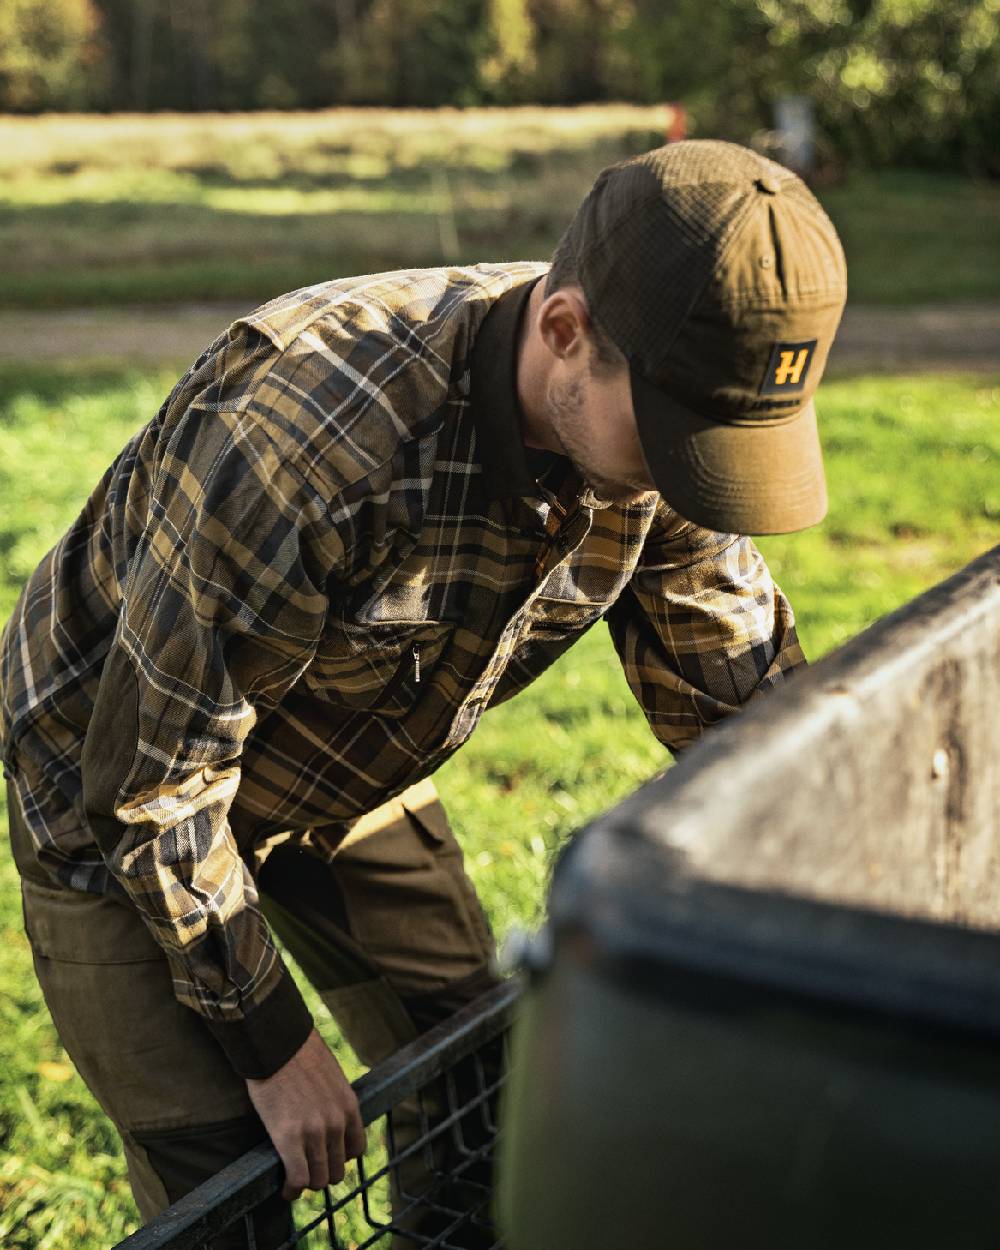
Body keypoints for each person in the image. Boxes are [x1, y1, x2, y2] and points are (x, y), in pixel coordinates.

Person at [0, 140, 847, 1246]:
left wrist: (842, 917)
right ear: (562, 334)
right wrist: (271, 1042)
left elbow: (744, 707)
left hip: (344, 752)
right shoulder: (309, 438)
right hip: (113, 791)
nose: (697, 480)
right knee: (233, 1176)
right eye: (684, 439)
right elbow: (152, 782)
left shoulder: (661, 427)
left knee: (473, 1070)